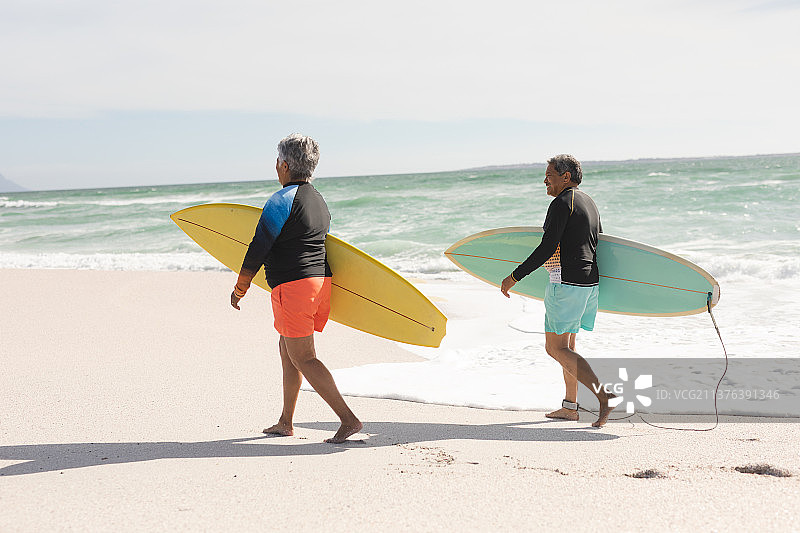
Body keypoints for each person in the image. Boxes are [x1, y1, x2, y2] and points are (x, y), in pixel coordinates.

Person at [230, 133, 362, 443]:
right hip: (319, 283)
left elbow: (259, 245)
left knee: (303, 356)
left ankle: (348, 419)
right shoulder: (318, 199)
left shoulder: (281, 199)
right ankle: (285, 421)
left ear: (285, 165)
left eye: (277, 161)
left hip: (295, 287)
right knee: (288, 350)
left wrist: (241, 286)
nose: (276, 166)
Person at [500, 154, 615, 427]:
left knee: (555, 348)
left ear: (566, 177)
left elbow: (547, 247)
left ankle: (604, 396)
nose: (545, 180)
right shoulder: (590, 203)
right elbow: (598, 243)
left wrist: (514, 276)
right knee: (569, 347)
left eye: (549, 175)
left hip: (566, 284)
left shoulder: (561, 203)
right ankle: (570, 407)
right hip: (589, 284)